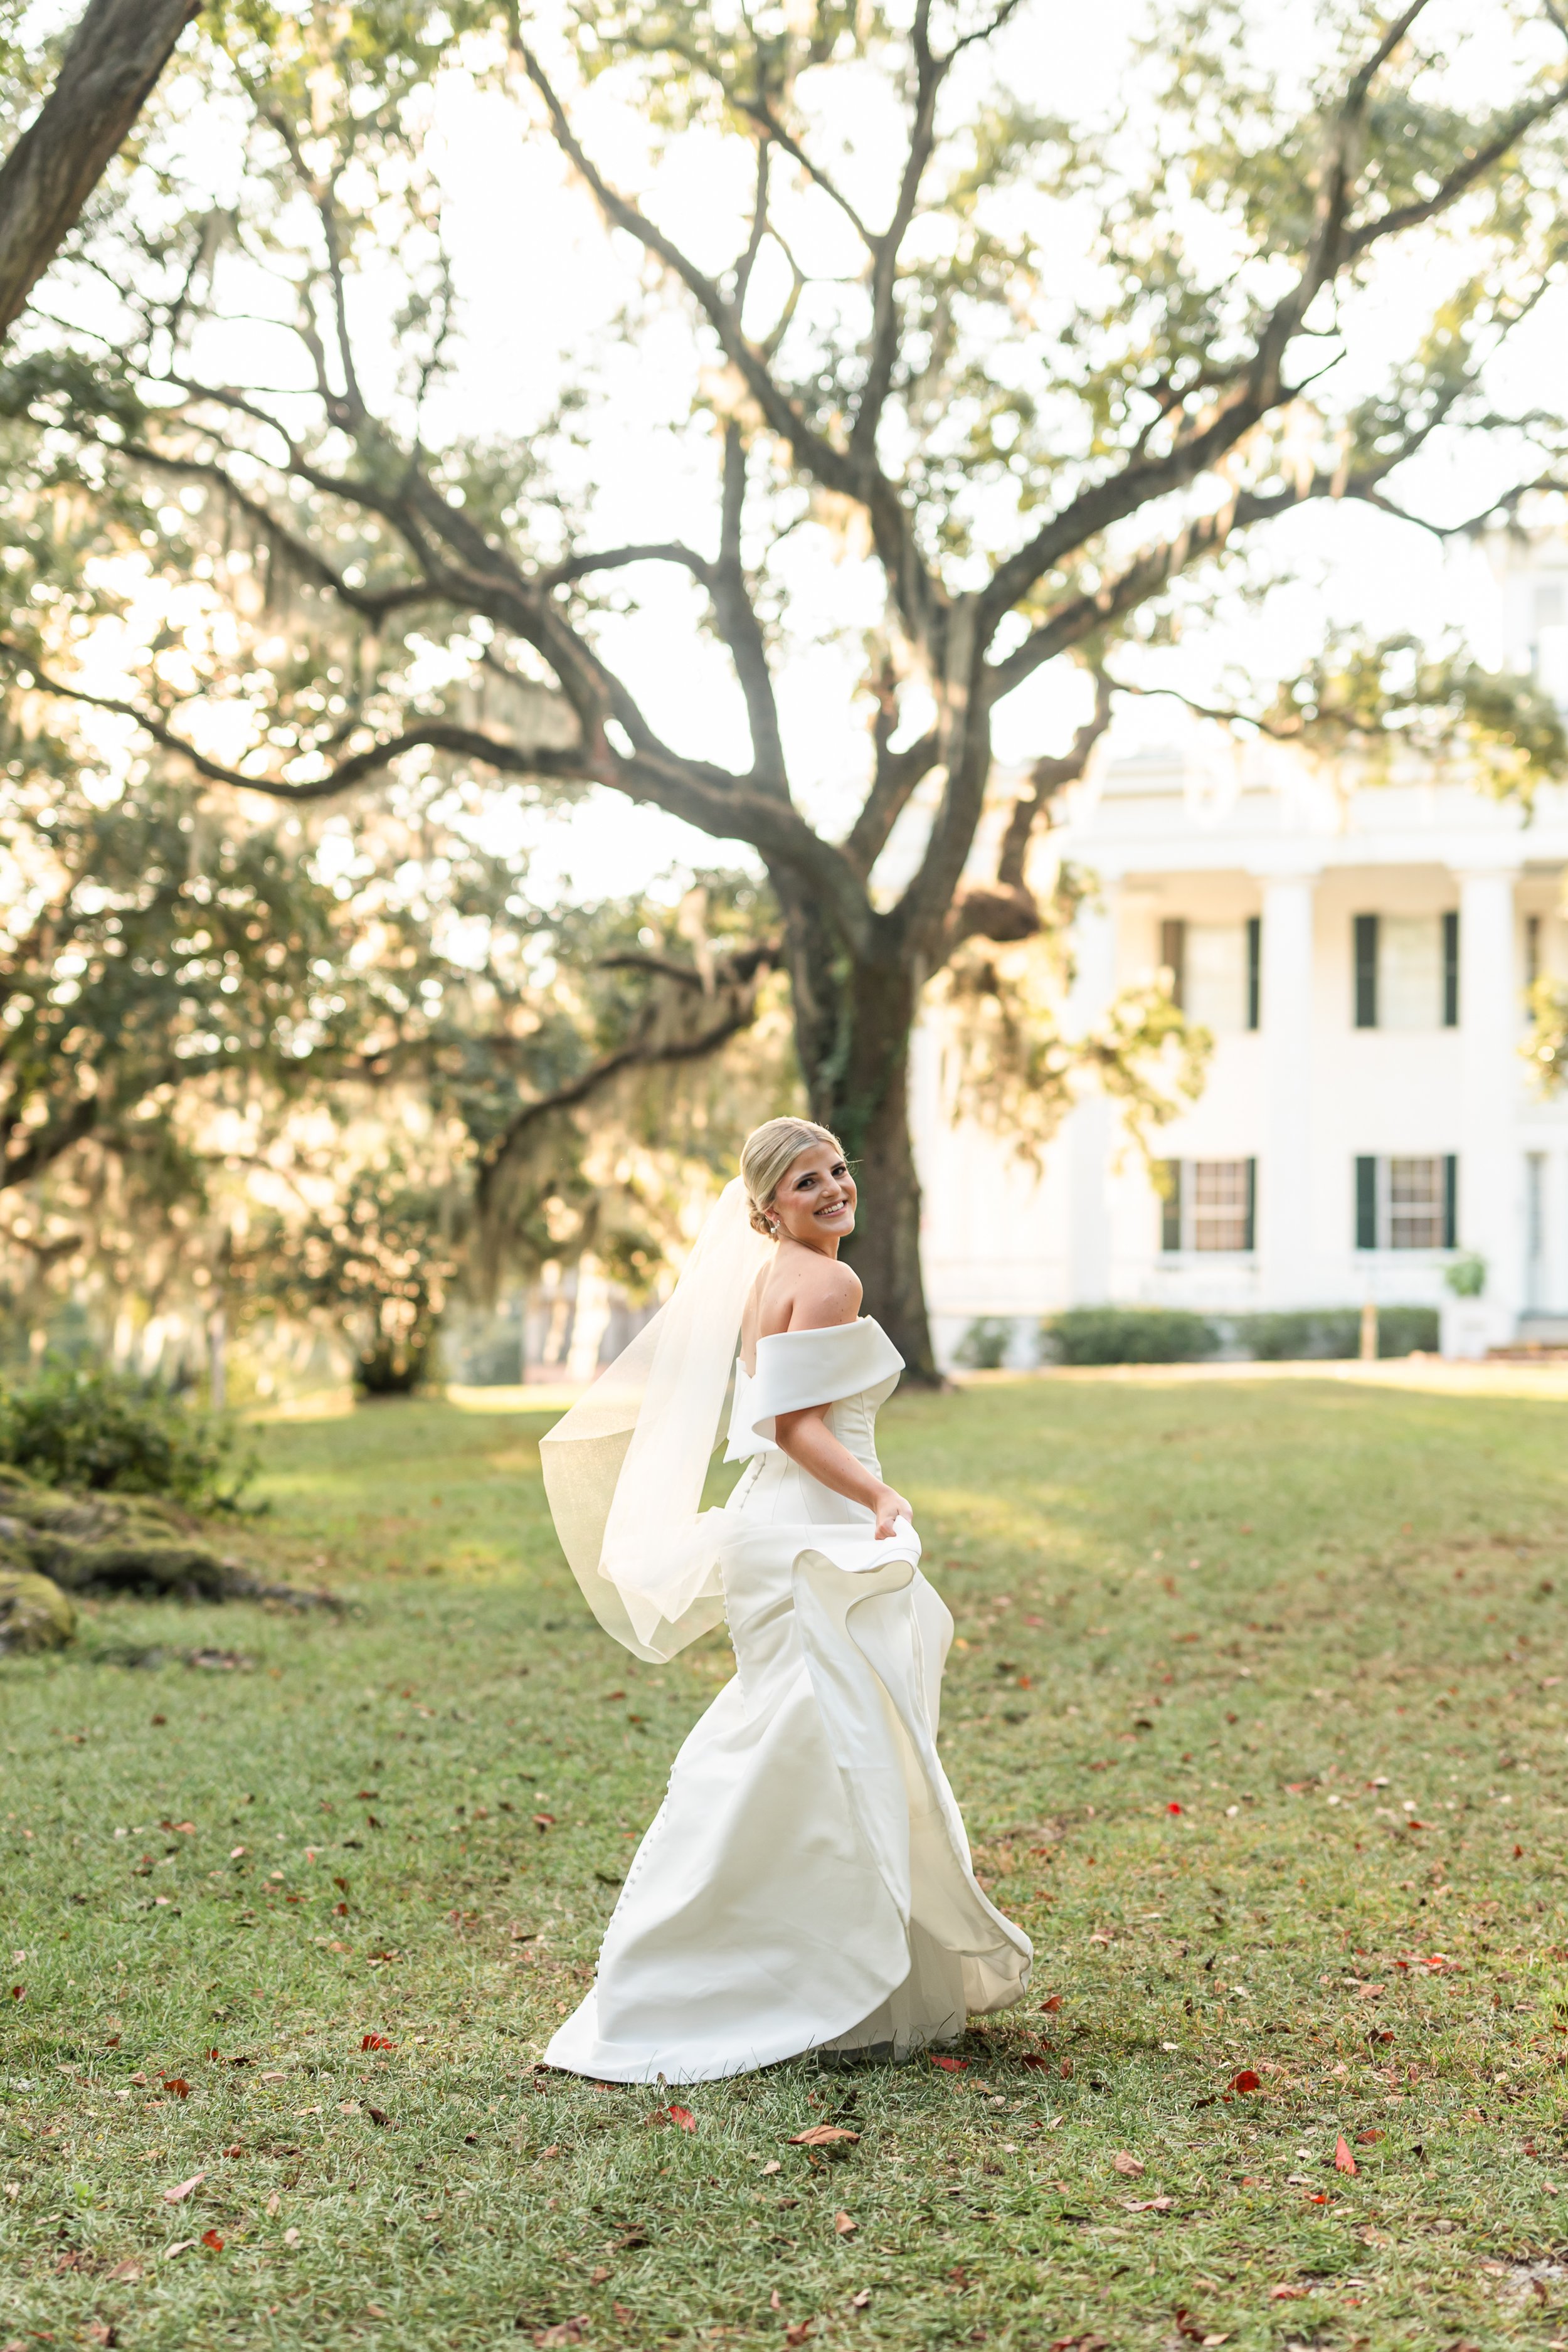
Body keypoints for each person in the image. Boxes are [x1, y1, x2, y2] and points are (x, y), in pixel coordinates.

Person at [539, 1116, 1030, 2082]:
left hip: (770, 1522)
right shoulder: (831, 1279)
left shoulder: (769, 1277)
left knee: (808, 1737)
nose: (835, 1188)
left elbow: (775, 1423)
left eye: (839, 1168)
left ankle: (786, 1968)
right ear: (769, 1206)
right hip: (811, 1522)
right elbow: (795, 1425)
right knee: (824, 1737)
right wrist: (879, 1495)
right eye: (808, 1181)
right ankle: (735, 1967)